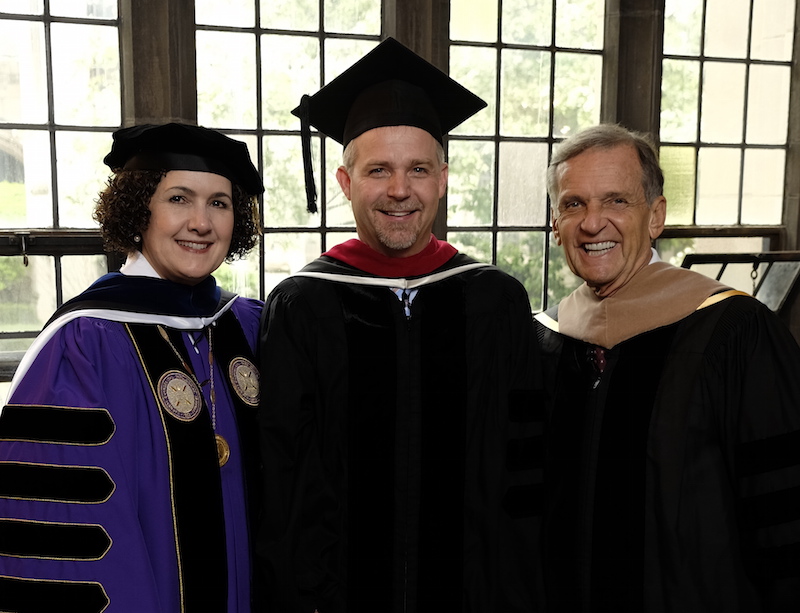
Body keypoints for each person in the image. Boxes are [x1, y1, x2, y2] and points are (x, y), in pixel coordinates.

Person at [256, 38, 542, 612]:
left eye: (417, 169)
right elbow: (280, 485)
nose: (399, 190)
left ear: (442, 178)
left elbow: (527, 472)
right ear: (345, 182)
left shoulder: (495, 301)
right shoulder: (302, 306)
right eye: (378, 170)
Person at [535, 123, 800, 611]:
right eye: (574, 204)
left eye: (616, 201)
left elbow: (783, 510)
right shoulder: (545, 340)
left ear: (656, 216)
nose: (593, 223)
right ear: (556, 224)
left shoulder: (735, 333)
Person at [0, 123, 264, 612]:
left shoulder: (250, 325)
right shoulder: (81, 344)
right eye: (179, 199)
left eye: (220, 203)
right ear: (138, 209)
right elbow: (66, 528)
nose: (201, 223)